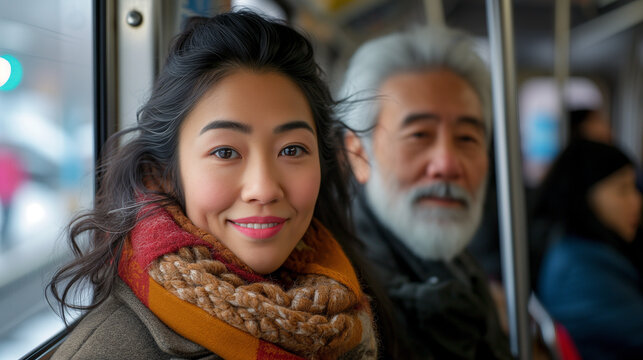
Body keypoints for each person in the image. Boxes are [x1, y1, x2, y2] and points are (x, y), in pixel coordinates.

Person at [48, 11, 382, 359]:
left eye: (292, 149)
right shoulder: (108, 351)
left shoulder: (353, 297)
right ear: (163, 173)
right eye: (225, 152)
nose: (264, 189)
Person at [339, 26, 512, 359]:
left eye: (466, 138)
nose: (447, 164)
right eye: (419, 135)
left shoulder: (461, 267)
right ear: (358, 154)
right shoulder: (344, 308)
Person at [535, 139, 643, 360]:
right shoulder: (579, 270)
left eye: (634, 187)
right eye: (623, 189)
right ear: (585, 196)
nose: (637, 201)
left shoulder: (591, 249)